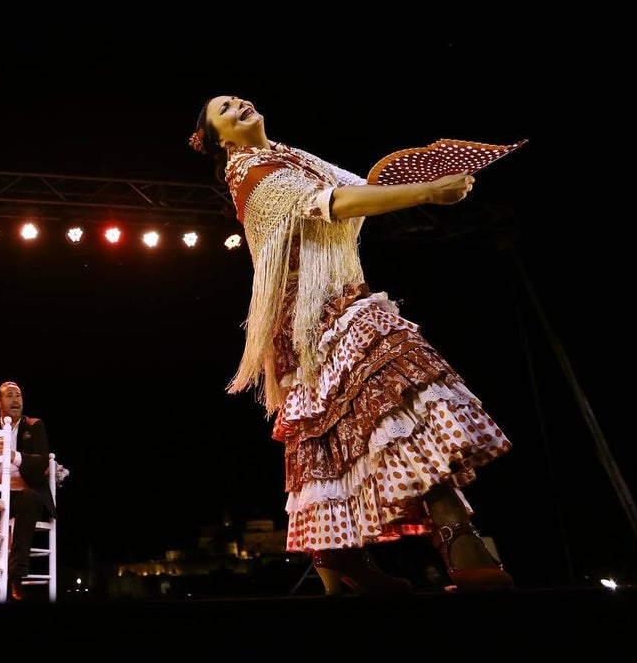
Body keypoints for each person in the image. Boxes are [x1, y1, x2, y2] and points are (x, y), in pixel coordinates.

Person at [189, 95, 515, 595]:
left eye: (238, 98)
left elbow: (362, 188)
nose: (240, 105)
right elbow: (334, 204)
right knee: (401, 390)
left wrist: (423, 182)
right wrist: (427, 191)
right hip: (307, 315)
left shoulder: (292, 155)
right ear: (222, 139)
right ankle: (458, 536)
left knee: (328, 436)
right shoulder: (250, 178)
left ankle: (338, 561)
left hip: (333, 300)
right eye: (225, 110)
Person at [0, 381, 56, 601]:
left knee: (29, 499)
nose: (16, 400)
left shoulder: (34, 425)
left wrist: (13, 455)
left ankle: (16, 576)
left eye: (19, 396)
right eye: (10, 395)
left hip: (22, 495)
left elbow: (41, 463)